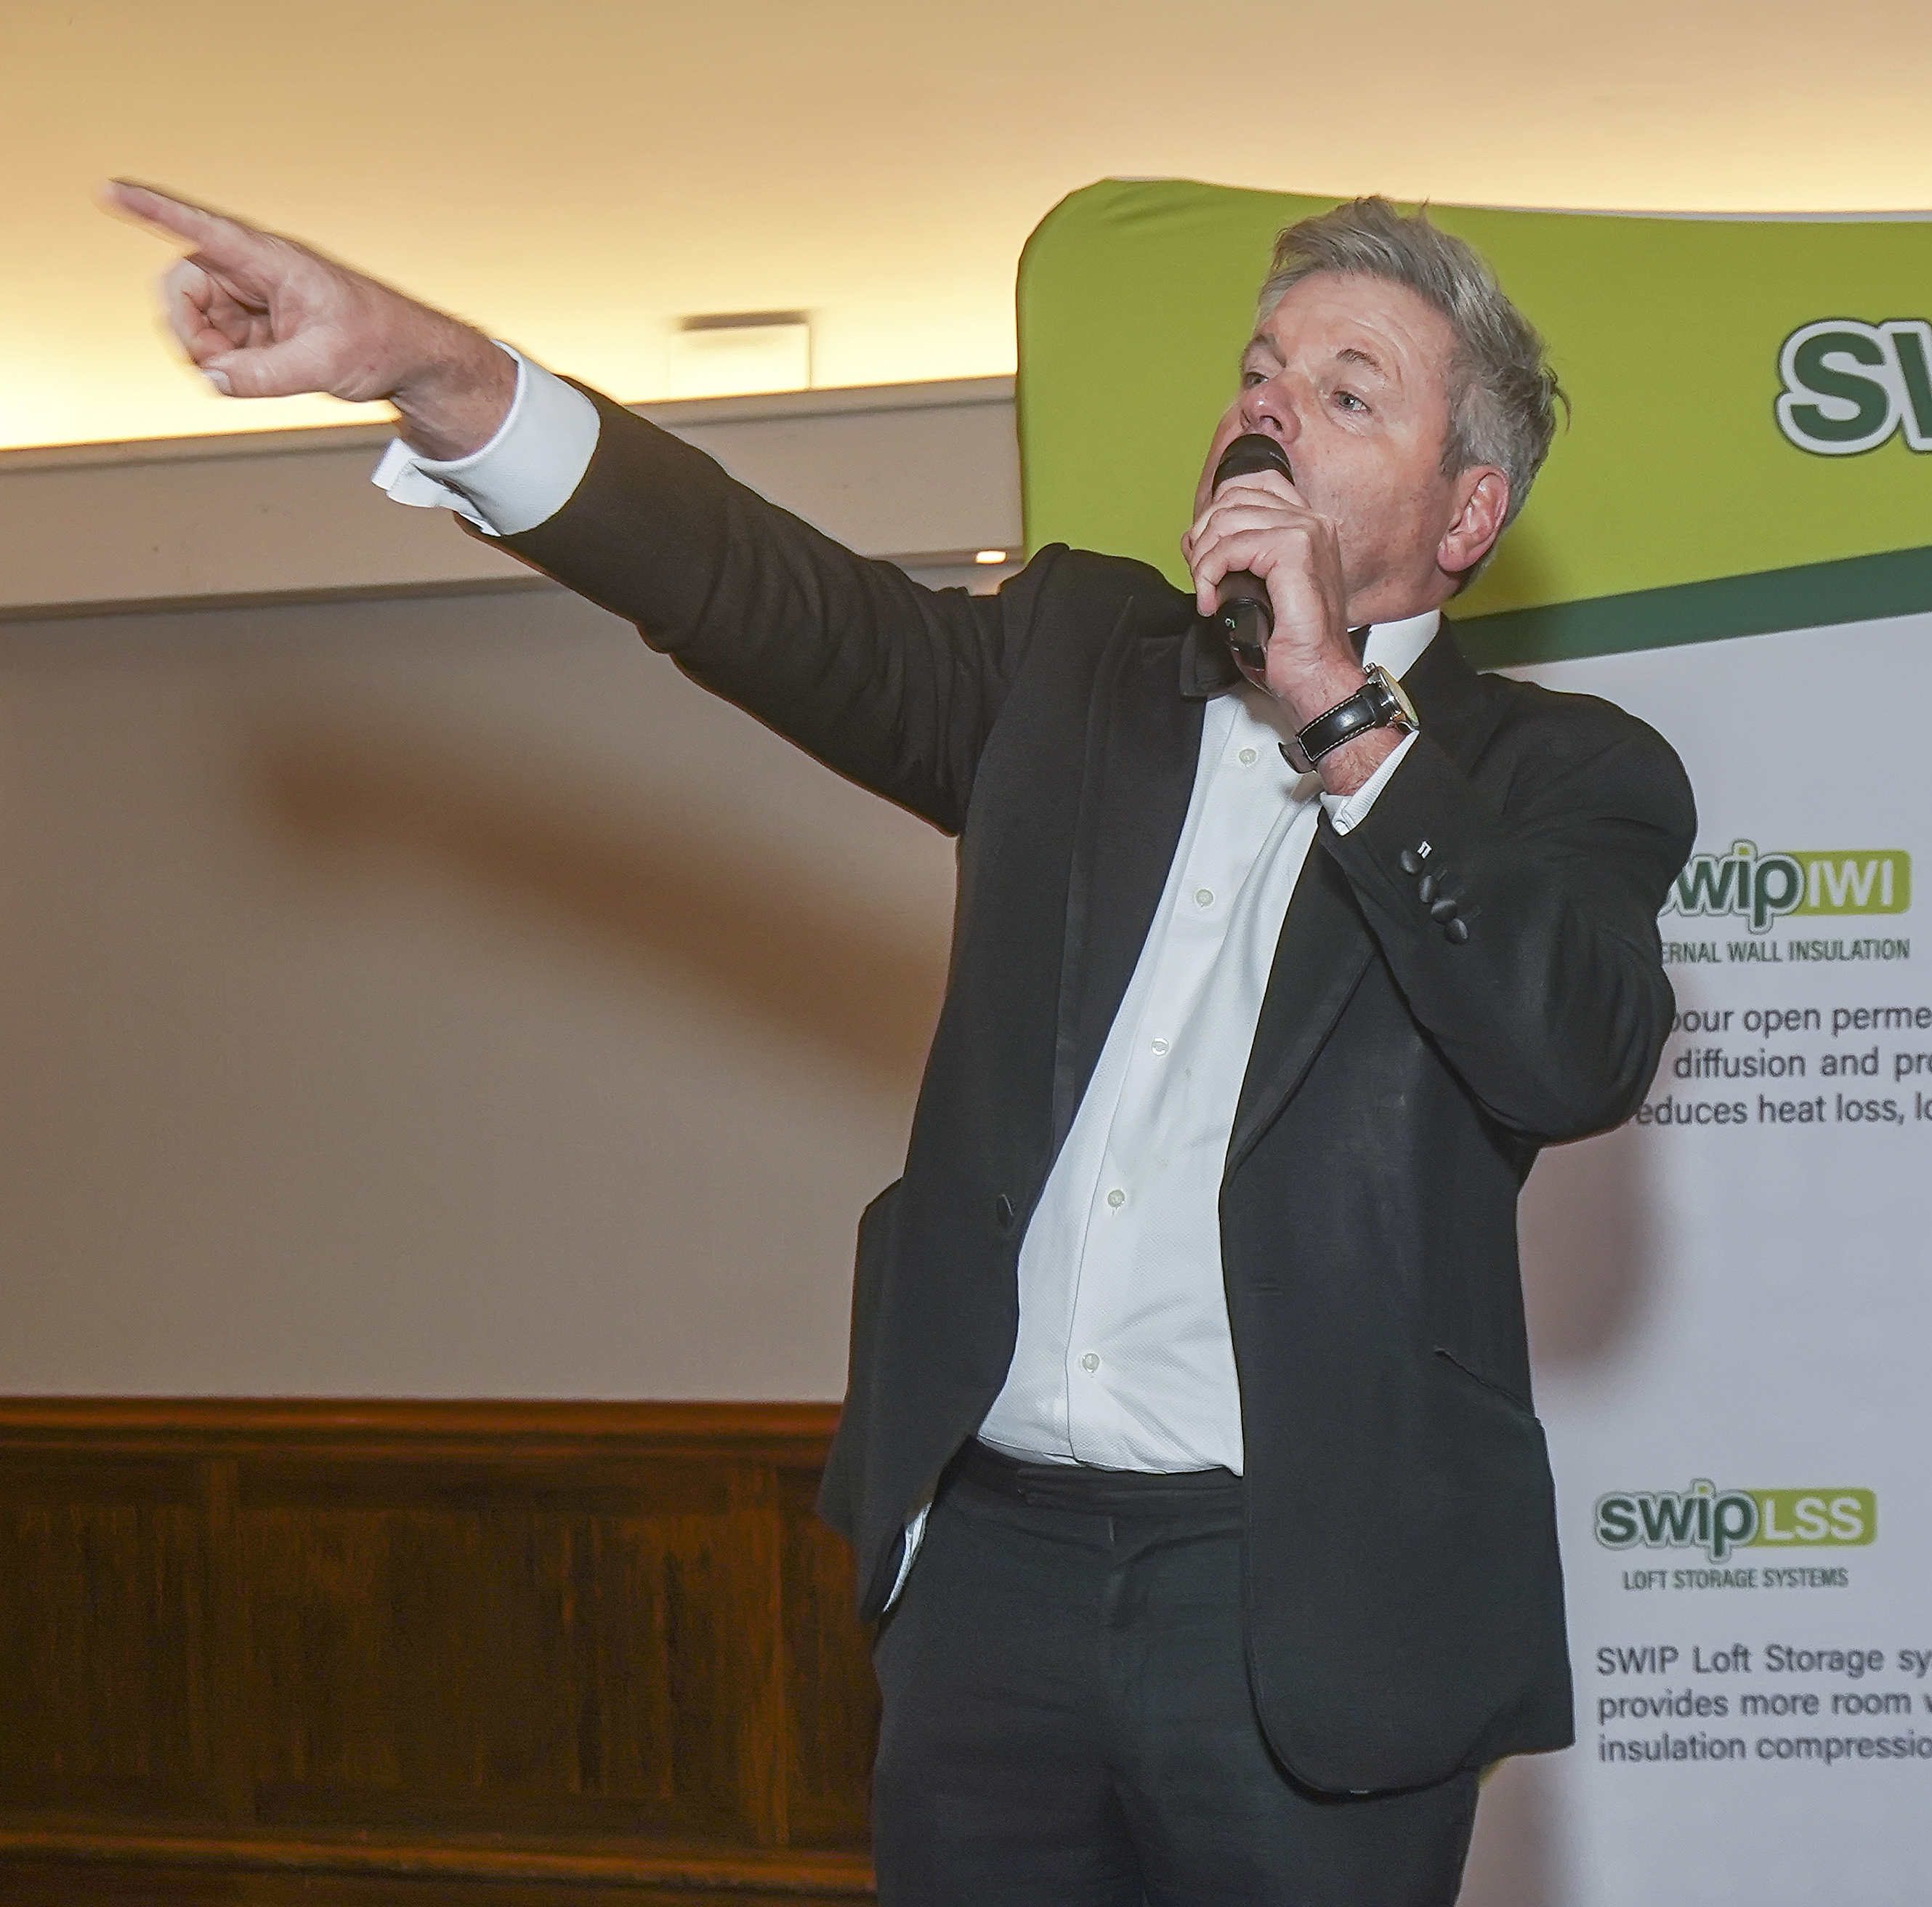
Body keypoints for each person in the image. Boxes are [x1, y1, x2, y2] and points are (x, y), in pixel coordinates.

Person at [108, 181, 1694, 1906]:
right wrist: (441, 371)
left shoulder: (1564, 778)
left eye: (1346, 391)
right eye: (1260, 372)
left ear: (1468, 511)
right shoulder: (1072, 663)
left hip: (1306, 1609)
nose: (1270, 411)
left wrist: (1337, 706)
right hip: (993, 1584)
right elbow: (757, 591)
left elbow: (1571, 1050)